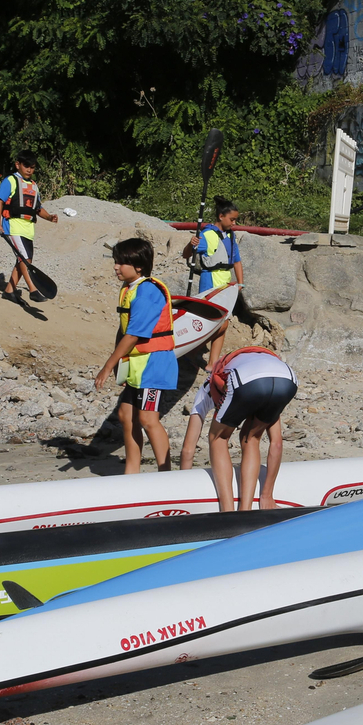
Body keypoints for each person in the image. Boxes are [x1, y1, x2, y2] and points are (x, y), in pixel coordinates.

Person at [94, 238, 177, 473]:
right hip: (138, 365)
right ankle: (132, 472)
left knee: (148, 420)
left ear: (138, 266)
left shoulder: (148, 292)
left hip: (153, 364)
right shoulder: (130, 289)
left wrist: (107, 366)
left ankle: (166, 474)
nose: (116, 267)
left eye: (121, 262)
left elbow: (133, 335)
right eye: (115, 261)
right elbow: (123, 331)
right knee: (125, 414)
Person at [191, 345, 297, 511]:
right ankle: (246, 510)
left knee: (218, 438)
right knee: (252, 438)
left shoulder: (218, 375)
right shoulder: (266, 363)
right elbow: (276, 443)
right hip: (288, 379)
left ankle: (228, 511)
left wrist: (183, 475)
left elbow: (188, 447)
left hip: (247, 379)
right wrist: (267, 495)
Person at [180, 197, 244, 366]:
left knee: (225, 322)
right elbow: (187, 254)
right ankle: (190, 352)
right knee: (215, 323)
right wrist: (190, 244)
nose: (234, 223)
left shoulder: (230, 235)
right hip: (211, 282)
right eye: (232, 219)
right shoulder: (208, 235)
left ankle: (212, 363)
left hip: (226, 283)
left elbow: (236, 261)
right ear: (221, 216)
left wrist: (240, 283)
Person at [0, 151, 58, 300]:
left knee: (23, 259)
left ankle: (9, 290)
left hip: (28, 229)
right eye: (26, 166)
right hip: (13, 226)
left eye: (32, 167)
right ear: (18, 165)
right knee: (24, 259)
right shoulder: (10, 181)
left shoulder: (33, 186)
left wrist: (49, 217)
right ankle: (33, 289)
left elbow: (37, 208)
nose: (29, 170)